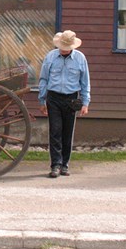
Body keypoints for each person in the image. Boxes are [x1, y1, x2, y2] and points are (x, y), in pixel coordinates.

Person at [38, 30, 91, 178]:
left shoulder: (80, 59)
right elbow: (43, 79)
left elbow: (85, 82)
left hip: (71, 98)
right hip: (53, 98)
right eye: (62, 46)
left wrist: (85, 102)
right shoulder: (50, 57)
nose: (63, 49)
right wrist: (42, 100)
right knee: (55, 131)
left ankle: (65, 165)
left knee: (67, 133)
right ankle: (55, 164)